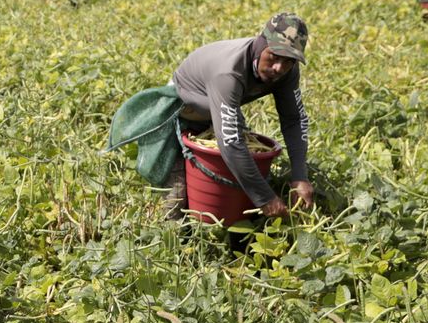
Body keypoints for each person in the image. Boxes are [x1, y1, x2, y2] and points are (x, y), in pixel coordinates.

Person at [108, 13, 314, 221]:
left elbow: (294, 119)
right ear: (261, 45)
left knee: (240, 178)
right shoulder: (229, 72)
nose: (279, 67)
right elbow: (231, 143)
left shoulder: (287, 71)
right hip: (184, 110)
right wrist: (265, 198)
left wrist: (299, 176)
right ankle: (174, 239)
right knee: (177, 199)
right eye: (274, 56)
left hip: (219, 107)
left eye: (288, 61)